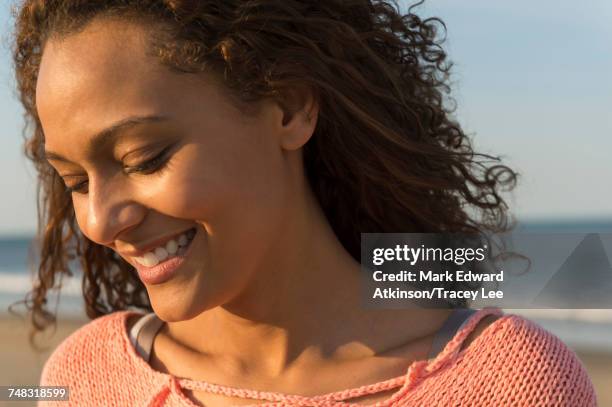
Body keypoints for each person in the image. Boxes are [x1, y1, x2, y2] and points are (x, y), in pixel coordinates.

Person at [11, 0, 596, 405]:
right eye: (77, 181)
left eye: (144, 158)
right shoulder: (84, 380)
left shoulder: (510, 383)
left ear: (289, 109)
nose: (100, 220)